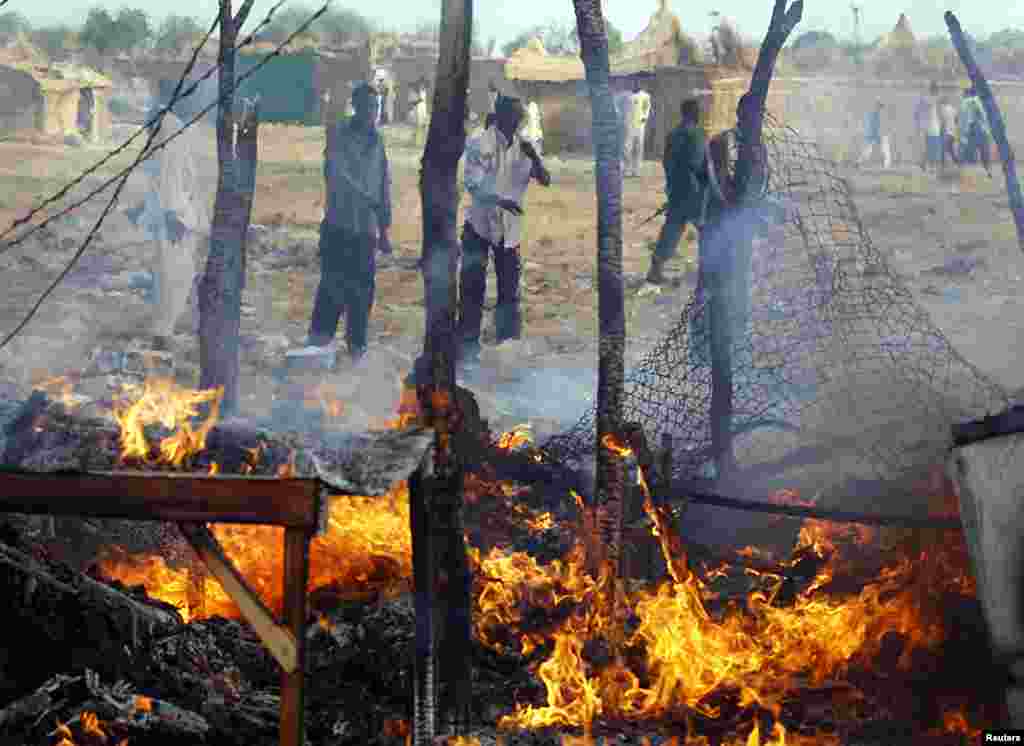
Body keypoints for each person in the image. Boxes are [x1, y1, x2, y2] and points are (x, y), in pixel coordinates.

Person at [458, 94, 551, 366]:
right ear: (500, 118)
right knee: (472, 286)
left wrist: (536, 159)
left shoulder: (526, 147)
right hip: (480, 226)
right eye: (513, 118)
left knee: (509, 290)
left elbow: (545, 180)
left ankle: (506, 343)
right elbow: (474, 184)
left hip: (509, 230)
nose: (518, 123)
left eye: (519, 119)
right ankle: (467, 345)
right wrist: (502, 200)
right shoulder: (479, 143)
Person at [306, 83, 392, 362]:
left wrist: (384, 227)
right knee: (332, 284)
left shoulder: (377, 141)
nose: (372, 112)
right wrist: (368, 199)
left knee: (363, 289)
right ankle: (319, 343)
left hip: (366, 229)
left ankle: (357, 345)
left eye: (376, 107)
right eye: (367, 106)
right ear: (356, 106)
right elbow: (336, 174)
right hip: (339, 224)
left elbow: (383, 184)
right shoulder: (338, 134)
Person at [128, 78, 212, 351]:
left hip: (175, 211)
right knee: (174, 274)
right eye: (192, 96)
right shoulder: (172, 125)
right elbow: (170, 174)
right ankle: (162, 333)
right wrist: (174, 213)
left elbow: (160, 172)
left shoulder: (169, 123)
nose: (197, 101)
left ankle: (165, 330)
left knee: (174, 273)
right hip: (176, 216)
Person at [646, 98, 707, 284]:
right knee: (708, 230)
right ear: (694, 113)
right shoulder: (696, 134)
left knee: (672, 230)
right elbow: (698, 164)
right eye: (698, 111)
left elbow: (667, 163)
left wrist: (673, 187)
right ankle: (709, 271)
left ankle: (655, 270)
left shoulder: (673, 134)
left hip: (676, 190)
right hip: (693, 192)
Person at [959, 86, 992, 176]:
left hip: (973, 128)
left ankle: (963, 171)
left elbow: (964, 118)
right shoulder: (977, 101)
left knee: (967, 151)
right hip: (978, 129)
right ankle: (987, 171)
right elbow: (982, 115)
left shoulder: (967, 101)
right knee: (983, 151)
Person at [624, 80, 652, 178]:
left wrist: (645, 117)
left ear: (641, 84)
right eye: (634, 83)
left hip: (640, 125)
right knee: (627, 148)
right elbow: (625, 110)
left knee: (639, 147)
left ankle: (637, 170)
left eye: (638, 83)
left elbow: (647, 107)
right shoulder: (628, 96)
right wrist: (625, 122)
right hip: (629, 125)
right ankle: (627, 169)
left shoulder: (645, 96)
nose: (636, 85)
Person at [913, 82, 942, 172]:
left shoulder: (927, 99)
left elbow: (917, 113)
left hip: (932, 127)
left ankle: (925, 163)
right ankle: (928, 165)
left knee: (931, 148)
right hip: (931, 127)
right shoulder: (929, 99)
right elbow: (918, 112)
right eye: (936, 90)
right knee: (932, 148)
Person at [857, 99, 891, 170]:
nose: (879, 108)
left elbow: (882, 126)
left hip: (879, 135)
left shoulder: (879, 114)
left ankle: (886, 165)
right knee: (868, 149)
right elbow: (871, 125)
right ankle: (859, 161)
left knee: (884, 149)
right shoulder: (873, 114)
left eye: (880, 106)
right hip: (874, 135)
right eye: (878, 106)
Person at [939, 94, 959, 169]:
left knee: (944, 148)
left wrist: (941, 131)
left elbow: (943, 122)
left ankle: (942, 164)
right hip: (953, 132)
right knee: (950, 149)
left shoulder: (943, 109)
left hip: (947, 132)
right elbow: (957, 119)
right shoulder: (953, 109)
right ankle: (956, 161)